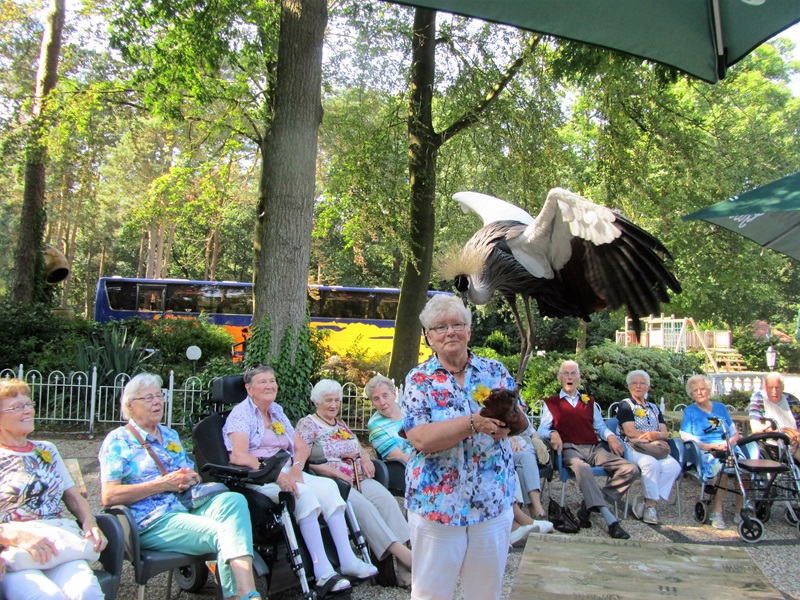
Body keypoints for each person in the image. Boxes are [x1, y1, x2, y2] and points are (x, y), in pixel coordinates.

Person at [98, 373, 262, 600]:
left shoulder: (170, 435)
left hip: (183, 505)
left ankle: (245, 594)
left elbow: (190, 472)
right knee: (223, 532)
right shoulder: (118, 441)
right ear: (130, 406)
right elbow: (109, 496)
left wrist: (190, 478)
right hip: (150, 520)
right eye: (148, 398)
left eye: (159, 395)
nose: (157, 401)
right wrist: (160, 485)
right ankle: (242, 595)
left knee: (234, 500)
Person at [223, 365, 376, 597]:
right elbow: (239, 455)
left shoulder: (275, 411)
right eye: (263, 382)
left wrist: (295, 468)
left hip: (287, 471)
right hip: (260, 477)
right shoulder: (241, 414)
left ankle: (346, 559)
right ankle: (322, 569)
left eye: (272, 381)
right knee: (303, 494)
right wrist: (277, 475)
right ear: (249, 388)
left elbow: (301, 446)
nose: (269, 386)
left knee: (328, 487)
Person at [402, 294, 517, 600]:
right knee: (431, 594)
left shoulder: (495, 371)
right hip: (436, 507)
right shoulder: (419, 379)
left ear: (469, 330)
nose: (449, 332)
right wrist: (474, 423)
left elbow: (522, 424)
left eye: (457, 324)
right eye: (440, 327)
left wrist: (509, 421)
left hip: (491, 502)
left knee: (485, 593)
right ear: (429, 337)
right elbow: (421, 439)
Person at [295, 379, 412, 587]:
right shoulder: (308, 424)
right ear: (316, 402)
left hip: (359, 477)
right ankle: (405, 556)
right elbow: (305, 462)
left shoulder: (339, 423)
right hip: (332, 483)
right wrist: (332, 472)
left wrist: (366, 458)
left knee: (387, 501)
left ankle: (405, 574)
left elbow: (358, 447)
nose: (333, 405)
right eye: (328, 401)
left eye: (337, 401)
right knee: (365, 508)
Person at [0, 378, 107, 600]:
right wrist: (19, 536)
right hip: (14, 551)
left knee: (87, 592)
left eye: (28, 404)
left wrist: (90, 522)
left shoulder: (46, 449)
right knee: (46, 596)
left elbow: (73, 496)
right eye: (17, 407)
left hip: (59, 545)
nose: (27, 411)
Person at [537, 360, 638, 540]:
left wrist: (611, 437)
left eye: (573, 373)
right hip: (569, 450)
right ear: (559, 377)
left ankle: (588, 506)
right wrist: (552, 433)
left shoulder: (589, 401)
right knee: (582, 468)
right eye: (566, 373)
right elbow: (541, 430)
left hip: (593, 448)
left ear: (579, 377)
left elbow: (600, 427)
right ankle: (610, 521)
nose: (570, 377)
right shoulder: (551, 403)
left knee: (630, 469)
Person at [616, 370, 681, 525]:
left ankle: (646, 501)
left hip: (655, 446)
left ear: (648, 387)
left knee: (673, 466)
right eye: (634, 383)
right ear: (629, 386)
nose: (638, 386)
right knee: (650, 464)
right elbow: (630, 432)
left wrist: (655, 436)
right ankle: (651, 508)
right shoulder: (625, 405)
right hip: (635, 446)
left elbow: (665, 433)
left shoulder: (654, 407)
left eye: (642, 383)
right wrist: (652, 434)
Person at [680, 374, 742, 530]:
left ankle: (740, 511)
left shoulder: (721, 408)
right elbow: (685, 435)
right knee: (724, 471)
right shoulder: (690, 411)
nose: (700, 393)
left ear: (708, 390)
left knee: (744, 470)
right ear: (691, 394)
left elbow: (735, 432)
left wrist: (729, 443)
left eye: (703, 389)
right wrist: (708, 447)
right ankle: (717, 512)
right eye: (696, 390)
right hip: (706, 450)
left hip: (728, 446)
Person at [749, 372, 800, 462]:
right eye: (770, 388)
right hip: (771, 444)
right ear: (765, 388)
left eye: (777, 387)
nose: (774, 391)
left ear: (782, 387)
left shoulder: (792, 400)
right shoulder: (758, 399)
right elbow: (756, 428)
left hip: (795, 443)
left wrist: (795, 433)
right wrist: (783, 430)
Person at [366, 375, 413, 463]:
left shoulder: (408, 410)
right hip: (406, 469)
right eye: (376, 399)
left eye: (385, 396)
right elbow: (399, 457)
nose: (382, 402)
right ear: (372, 403)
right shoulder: (375, 425)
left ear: (394, 394)